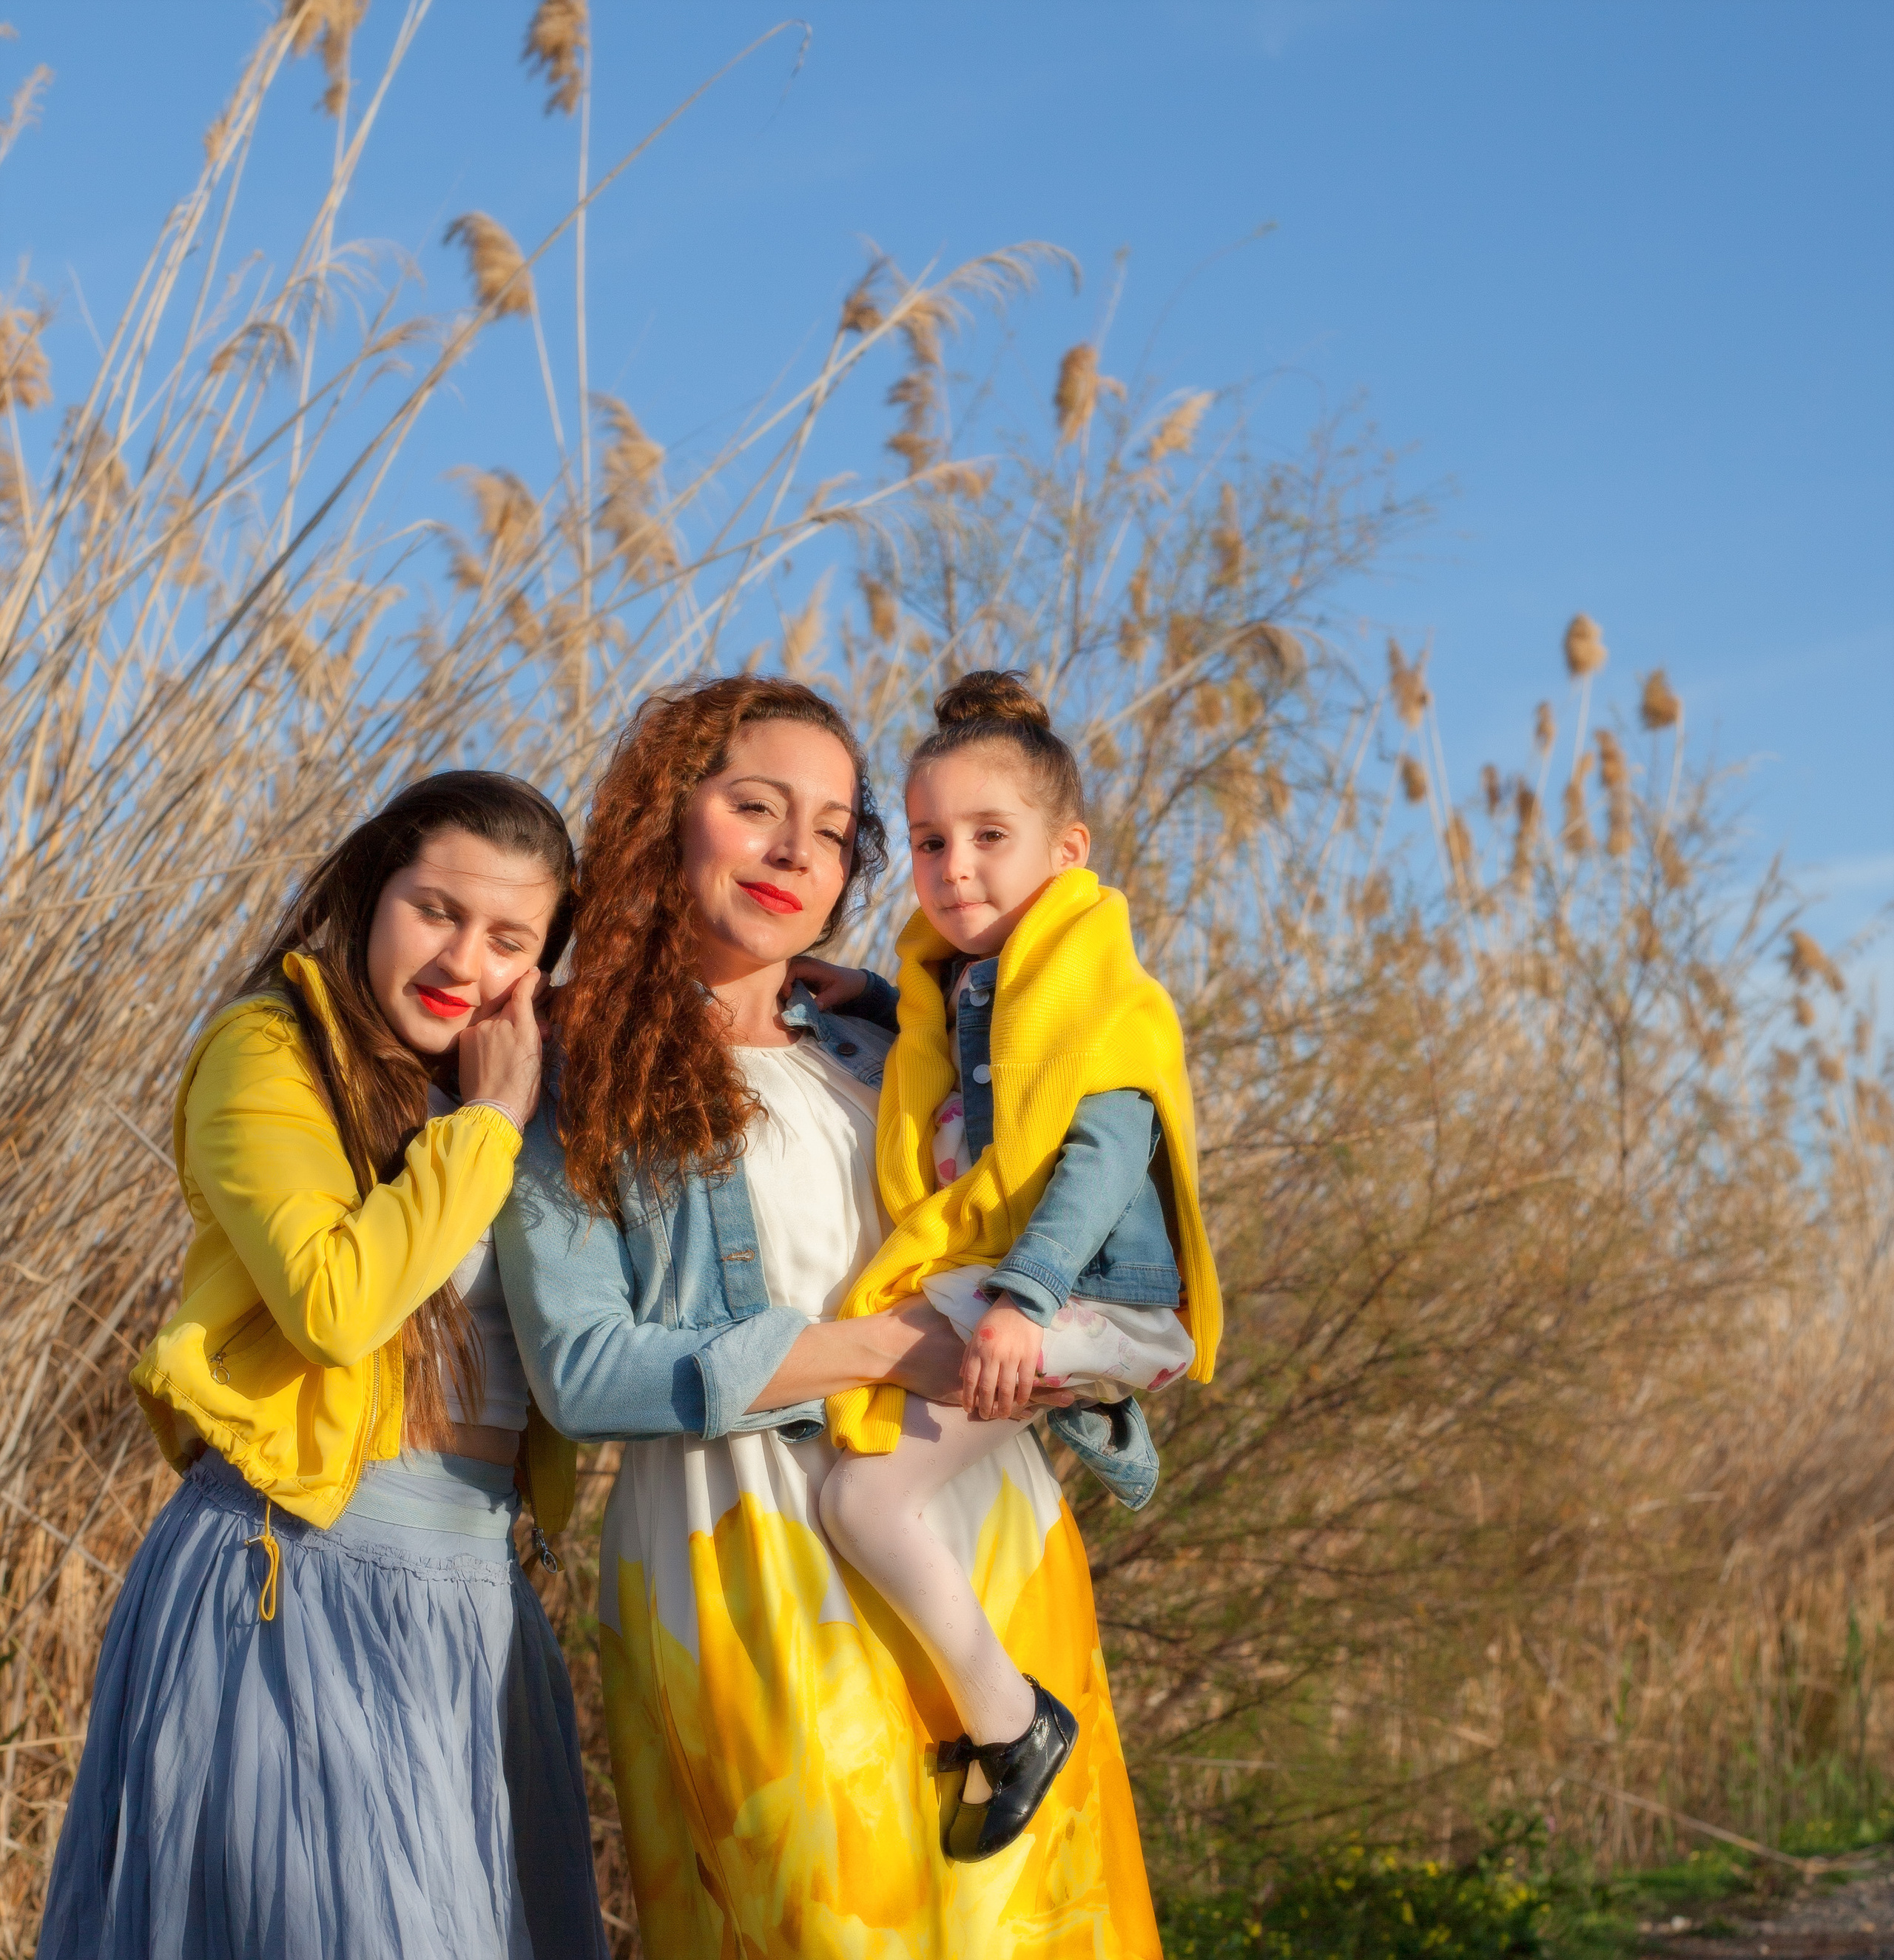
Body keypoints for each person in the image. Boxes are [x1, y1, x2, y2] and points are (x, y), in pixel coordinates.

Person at [497, 675, 1163, 1957]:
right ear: (663, 819)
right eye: (756, 807)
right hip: (745, 1561)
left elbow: (1088, 1148)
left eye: (835, 825)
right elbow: (582, 1369)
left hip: (978, 1544)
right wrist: (886, 1349)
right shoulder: (576, 1067)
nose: (798, 849)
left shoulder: (892, 1039)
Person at [39, 773, 610, 1960]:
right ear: (369, 891)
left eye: (510, 937)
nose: (463, 957)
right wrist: (489, 1129)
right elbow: (333, 1302)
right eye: (436, 909)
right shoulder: (270, 1054)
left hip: (474, 1607)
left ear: (548, 959)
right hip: (290, 1578)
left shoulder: (525, 1087)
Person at [802, 670, 1221, 1862]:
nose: (955, 867)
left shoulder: (1104, 986)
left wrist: (1024, 1303)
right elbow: (984, 1061)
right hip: (1039, 1293)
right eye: (931, 841)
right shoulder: (968, 976)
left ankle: (1014, 1722)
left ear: (1067, 846)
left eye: (991, 837)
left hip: (1088, 1293)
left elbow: (1101, 1148)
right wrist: (878, 997)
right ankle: (983, 1698)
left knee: (863, 1494)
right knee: (858, 1456)